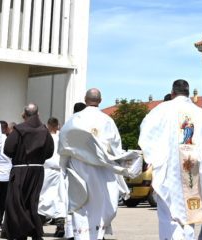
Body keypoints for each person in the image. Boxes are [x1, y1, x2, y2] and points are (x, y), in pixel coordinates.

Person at [139, 79, 202, 240]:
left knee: (169, 218)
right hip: (193, 172)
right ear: (188, 93)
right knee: (190, 216)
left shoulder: (161, 111)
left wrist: (155, 157)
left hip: (170, 174)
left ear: (173, 92)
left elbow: (148, 134)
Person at [57, 89, 142, 240]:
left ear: (85, 99)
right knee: (100, 203)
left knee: (81, 203)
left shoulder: (74, 119)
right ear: (100, 100)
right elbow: (116, 147)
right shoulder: (107, 120)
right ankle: (97, 234)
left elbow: (64, 144)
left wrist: (63, 166)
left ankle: (82, 235)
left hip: (79, 168)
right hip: (102, 170)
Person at [2, 104, 55, 240]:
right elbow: (49, 152)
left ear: (24, 114)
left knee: (16, 202)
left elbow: (8, 149)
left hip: (20, 169)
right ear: (38, 114)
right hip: (37, 170)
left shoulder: (19, 129)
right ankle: (34, 232)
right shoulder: (44, 130)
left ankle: (23, 230)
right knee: (32, 202)